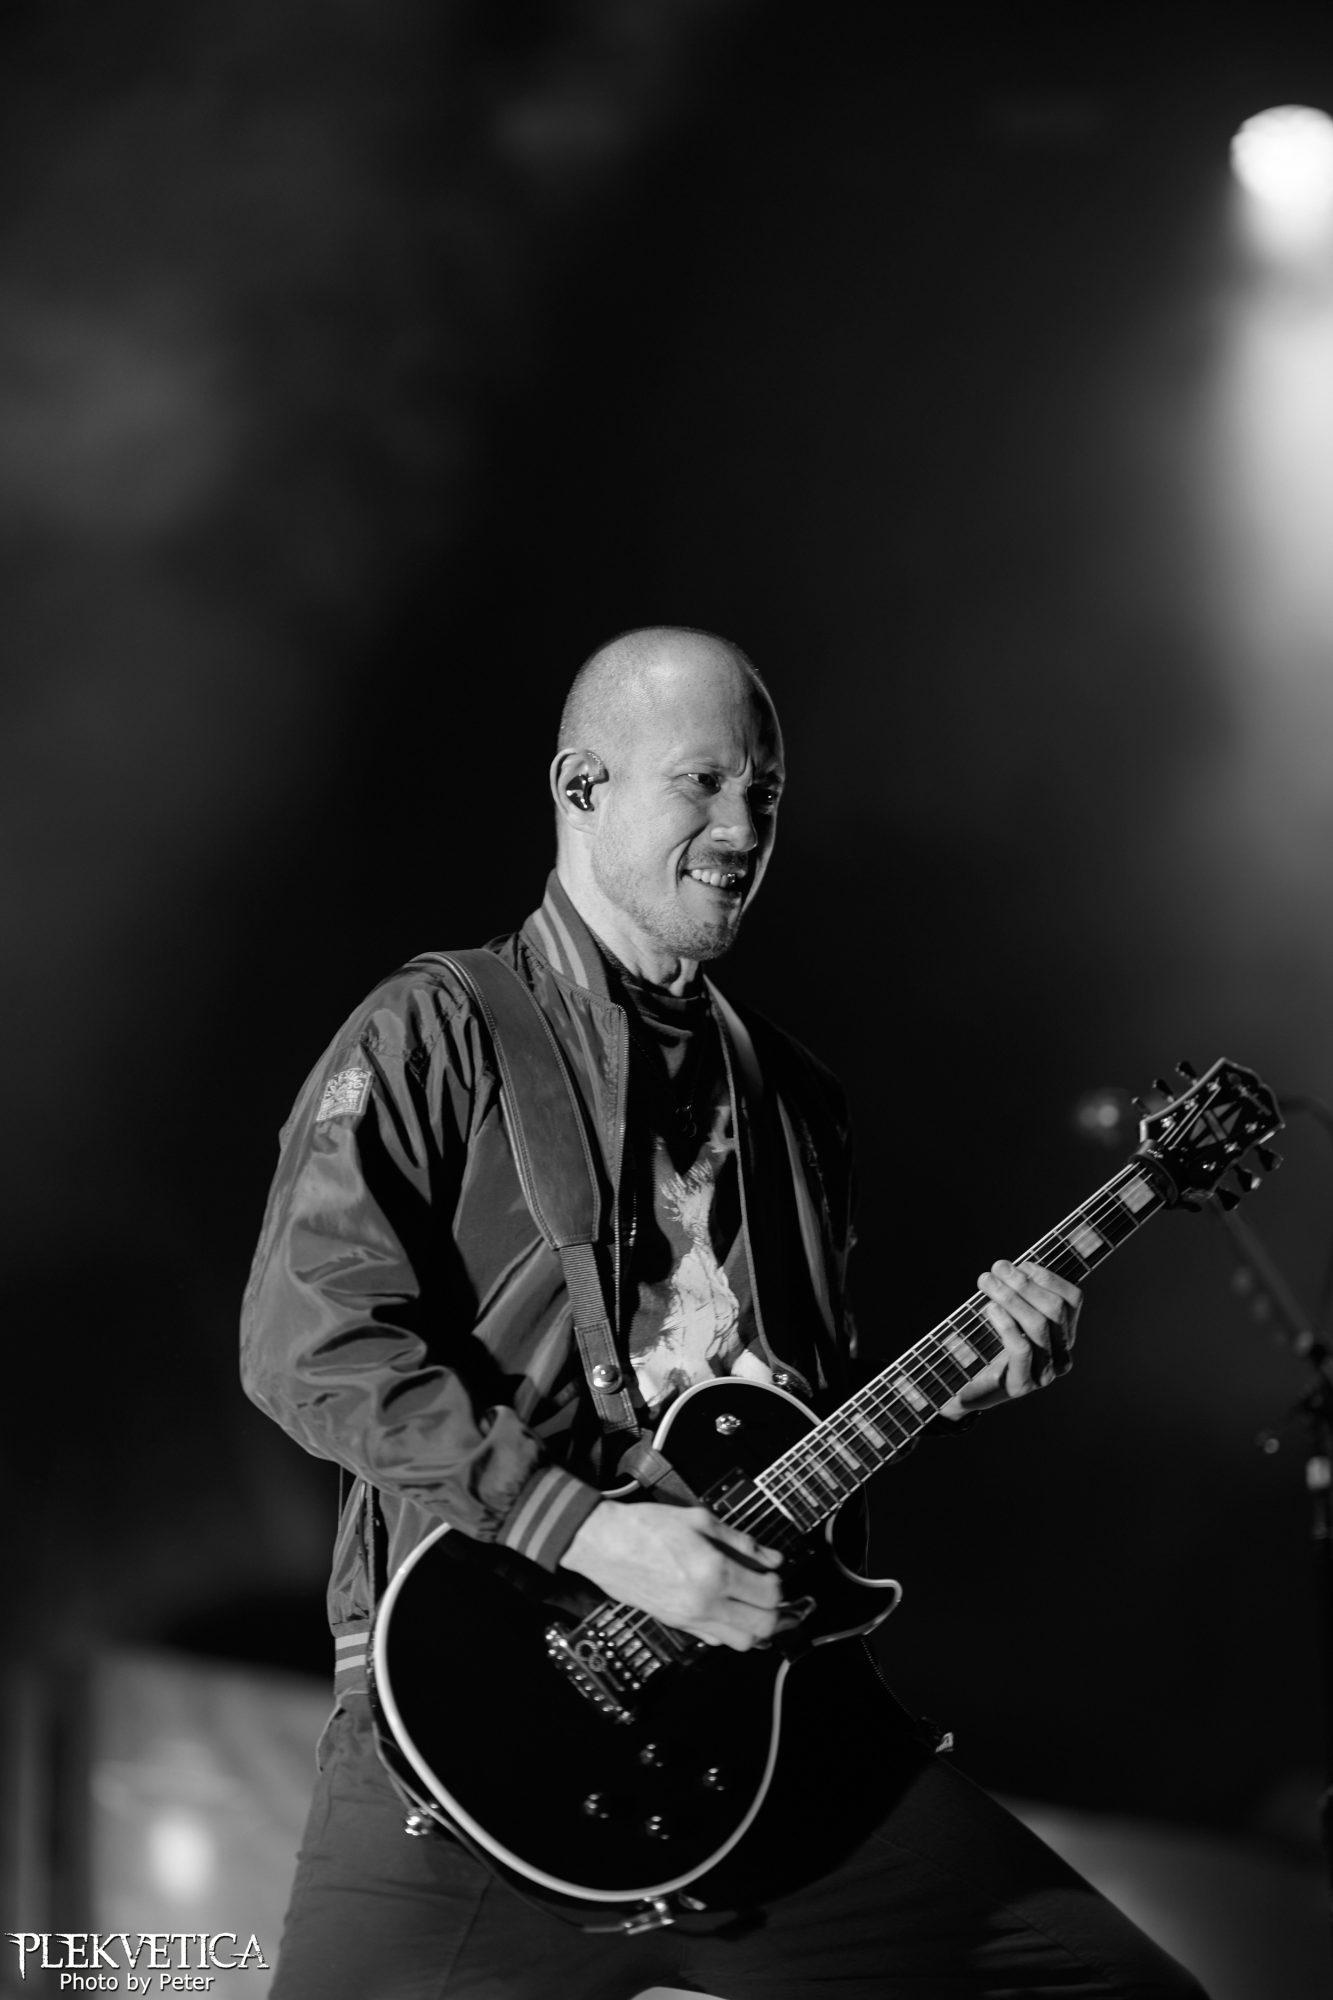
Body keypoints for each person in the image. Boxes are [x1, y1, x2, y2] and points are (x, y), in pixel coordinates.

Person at [241, 626, 1206, 1998]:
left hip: (771, 1735)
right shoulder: (434, 1031)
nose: (743, 828)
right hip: (481, 1742)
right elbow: (310, 1344)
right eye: (701, 782)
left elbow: (776, 1412)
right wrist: (588, 1531)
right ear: (582, 786)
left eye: (765, 793)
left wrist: (953, 1388)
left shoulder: (796, 1099)